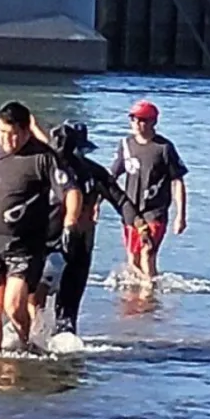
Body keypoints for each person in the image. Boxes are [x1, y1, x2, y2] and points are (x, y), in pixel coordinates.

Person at [0, 101, 82, 355]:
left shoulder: (43, 157)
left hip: (25, 247)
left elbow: (71, 191)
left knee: (14, 304)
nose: (7, 140)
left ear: (26, 130)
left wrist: (70, 223)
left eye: (13, 134)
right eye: (2, 133)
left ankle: (25, 343)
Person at [35, 120, 150, 335]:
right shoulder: (49, 170)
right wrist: (138, 225)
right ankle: (44, 337)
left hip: (72, 244)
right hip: (54, 242)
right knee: (47, 298)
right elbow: (121, 201)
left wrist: (139, 226)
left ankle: (42, 338)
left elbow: (121, 200)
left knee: (60, 305)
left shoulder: (90, 172)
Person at [110, 99, 188, 283]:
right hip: (130, 210)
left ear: (153, 122)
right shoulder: (126, 145)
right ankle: (135, 304)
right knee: (133, 258)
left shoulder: (164, 148)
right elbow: (111, 177)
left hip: (155, 210)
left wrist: (181, 216)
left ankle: (149, 294)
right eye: (134, 119)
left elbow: (177, 181)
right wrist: (96, 204)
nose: (137, 124)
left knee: (147, 252)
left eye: (143, 120)